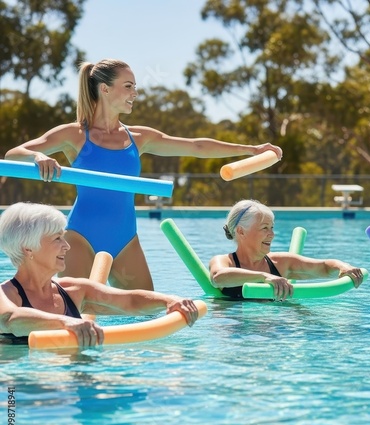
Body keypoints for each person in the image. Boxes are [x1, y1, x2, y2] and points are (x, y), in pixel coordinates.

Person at [4, 59, 282, 290]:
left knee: (146, 310)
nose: (134, 93)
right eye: (128, 86)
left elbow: (196, 146)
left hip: (126, 238)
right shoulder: (74, 134)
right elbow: (14, 153)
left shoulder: (139, 137)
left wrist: (251, 148)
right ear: (104, 89)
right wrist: (38, 156)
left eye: (135, 86)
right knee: (75, 310)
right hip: (82, 237)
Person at [0, 202, 200, 347]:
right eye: (57, 239)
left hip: (74, 386)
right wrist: (67, 322)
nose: (67, 246)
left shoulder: (74, 290)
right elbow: (11, 319)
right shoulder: (5, 295)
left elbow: (129, 301)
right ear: (28, 249)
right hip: (21, 390)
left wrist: (170, 300)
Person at [209, 199, 364, 300]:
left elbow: (322, 267)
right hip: (235, 334)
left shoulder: (281, 262)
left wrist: (342, 267)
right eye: (264, 228)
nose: (272, 234)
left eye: (272, 228)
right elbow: (218, 278)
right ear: (241, 231)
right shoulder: (223, 261)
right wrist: (265, 276)